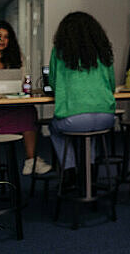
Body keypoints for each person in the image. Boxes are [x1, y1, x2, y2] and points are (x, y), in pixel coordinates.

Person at [0, 20, 51, 175]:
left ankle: (31, 161)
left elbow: (21, 81)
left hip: (8, 106)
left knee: (28, 112)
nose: (2, 40)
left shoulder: (15, 55)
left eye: (6, 37)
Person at [48, 12, 116, 180]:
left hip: (73, 121)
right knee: (90, 133)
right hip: (106, 119)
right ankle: (89, 171)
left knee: (54, 128)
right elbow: (112, 85)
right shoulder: (102, 52)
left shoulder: (59, 52)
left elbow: (53, 84)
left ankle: (69, 170)